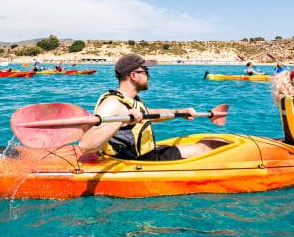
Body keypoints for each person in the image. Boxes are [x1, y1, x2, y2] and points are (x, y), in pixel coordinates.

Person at [78, 53, 218, 160]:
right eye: (145, 71)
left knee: (209, 142)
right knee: (204, 149)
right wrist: (121, 120)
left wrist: (180, 112)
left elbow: (150, 113)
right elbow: (86, 146)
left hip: (146, 154)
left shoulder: (130, 100)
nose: (149, 75)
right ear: (133, 75)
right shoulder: (113, 103)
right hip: (139, 161)